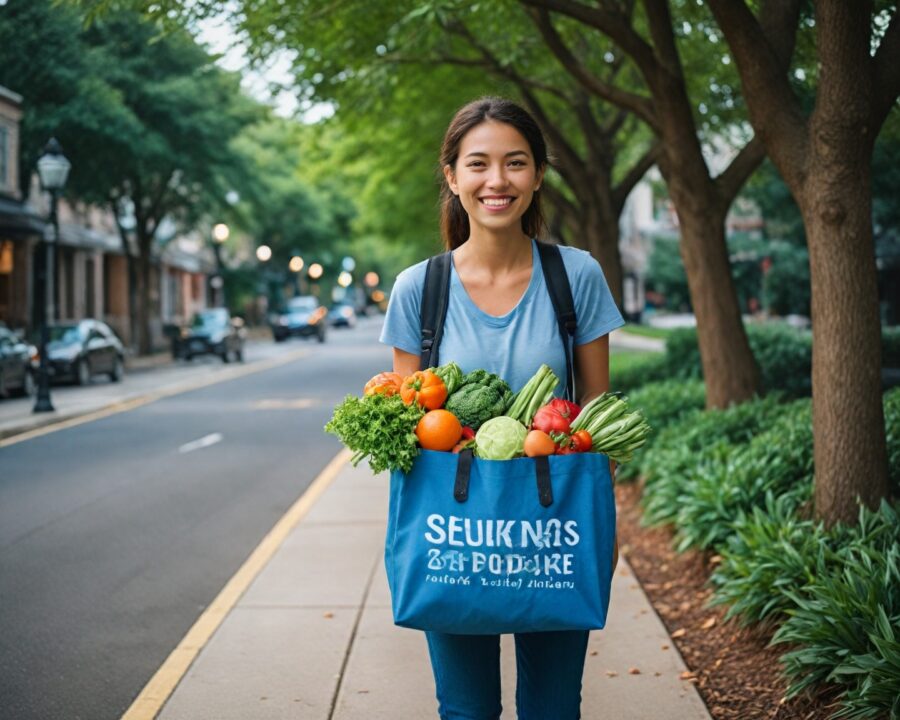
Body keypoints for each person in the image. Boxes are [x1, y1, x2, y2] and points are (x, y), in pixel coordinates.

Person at [379, 96, 625, 720]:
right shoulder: (419, 289)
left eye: (515, 163)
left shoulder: (576, 276)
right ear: (453, 176)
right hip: (457, 533)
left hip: (551, 531)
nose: (497, 181)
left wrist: (595, 517)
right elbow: (412, 433)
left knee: (552, 709)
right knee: (466, 711)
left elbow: (599, 416)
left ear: (538, 174)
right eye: (479, 164)